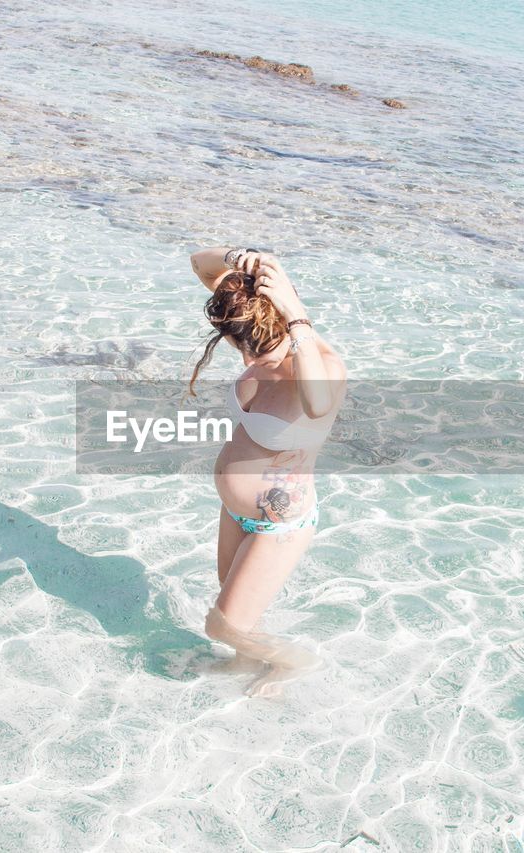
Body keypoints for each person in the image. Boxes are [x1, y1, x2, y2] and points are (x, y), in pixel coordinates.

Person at [188, 246, 347, 697]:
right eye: (240, 346)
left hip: (279, 523)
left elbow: (318, 404)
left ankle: (294, 663)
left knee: (223, 624)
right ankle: (246, 662)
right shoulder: (255, 328)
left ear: (287, 326)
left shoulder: (322, 367)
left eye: (261, 349)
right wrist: (242, 258)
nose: (246, 360)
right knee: (236, 609)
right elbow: (201, 264)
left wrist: (297, 315)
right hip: (238, 512)